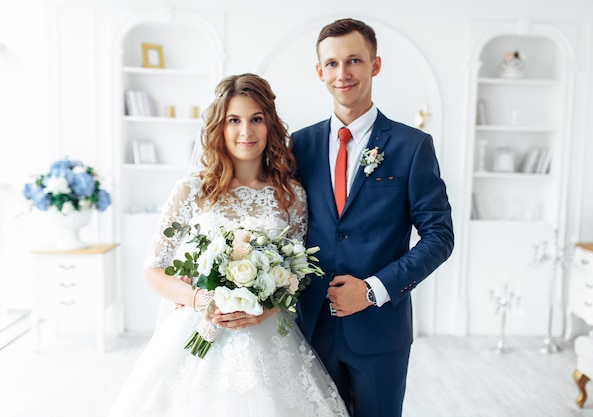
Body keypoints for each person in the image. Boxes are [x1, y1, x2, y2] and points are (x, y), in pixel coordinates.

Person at [107, 73, 349, 417]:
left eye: (256, 120)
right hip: (201, 329)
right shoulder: (193, 189)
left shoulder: (291, 195)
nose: (246, 132)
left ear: (270, 125)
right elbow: (153, 270)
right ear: (219, 127)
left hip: (268, 335)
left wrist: (267, 308)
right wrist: (200, 298)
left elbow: (296, 274)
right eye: (234, 120)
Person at [291, 18, 455, 417]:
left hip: (380, 332)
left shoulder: (412, 146)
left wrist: (371, 290)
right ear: (319, 72)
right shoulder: (299, 145)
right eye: (331, 64)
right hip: (308, 328)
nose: (342, 73)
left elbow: (439, 236)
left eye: (354, 61)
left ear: (374, 65)